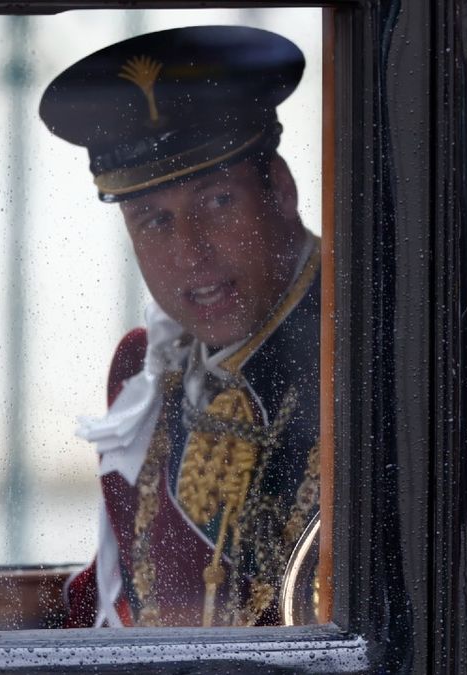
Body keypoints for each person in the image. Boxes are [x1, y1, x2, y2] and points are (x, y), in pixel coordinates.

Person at [38, 26, 320, 628]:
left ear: (283, 189)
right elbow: (122, 604)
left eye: (218, 202)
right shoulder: (143, 371)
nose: (190, 254)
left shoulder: (375, 346)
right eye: (154, 221)